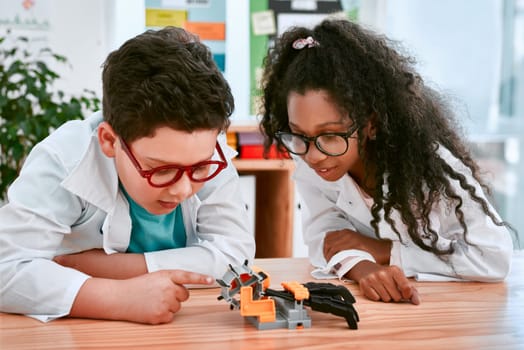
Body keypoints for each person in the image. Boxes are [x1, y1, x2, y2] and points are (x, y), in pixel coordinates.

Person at [0, 26, 255, 324]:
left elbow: (236, 257)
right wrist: (114, 298)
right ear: (110, 141)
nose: (184, 189)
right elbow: (6, 268)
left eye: (198, 168)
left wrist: (105, 268)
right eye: (163, 170)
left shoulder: (207, 150)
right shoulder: (64, 159)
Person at [259, 18, 515, 305]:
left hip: (454, 309)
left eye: (330, 135)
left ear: (371, 123)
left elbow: (494, 258)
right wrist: (362, 267)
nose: (313, 155)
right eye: (299, 134)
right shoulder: (309, 156)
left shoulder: (428, 167)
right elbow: (324, 238)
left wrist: (386, 251)